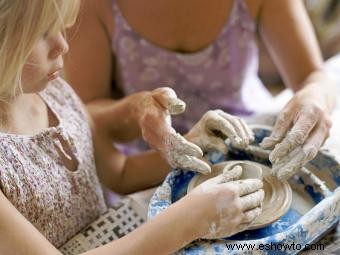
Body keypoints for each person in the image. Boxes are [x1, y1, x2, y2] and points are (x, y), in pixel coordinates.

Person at [0, 0, 264, 254]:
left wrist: (194, 144)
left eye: (60, 27)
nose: (63, 45)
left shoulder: (56, 94)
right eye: (42, 32)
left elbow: (121, 174)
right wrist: (186, 222)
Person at [64, 0, 337, 180]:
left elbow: (312, 76)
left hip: (248, 131)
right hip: (151, 157)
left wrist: (314, 96)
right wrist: (138, 110)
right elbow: (84, 110)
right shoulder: (91, 5)